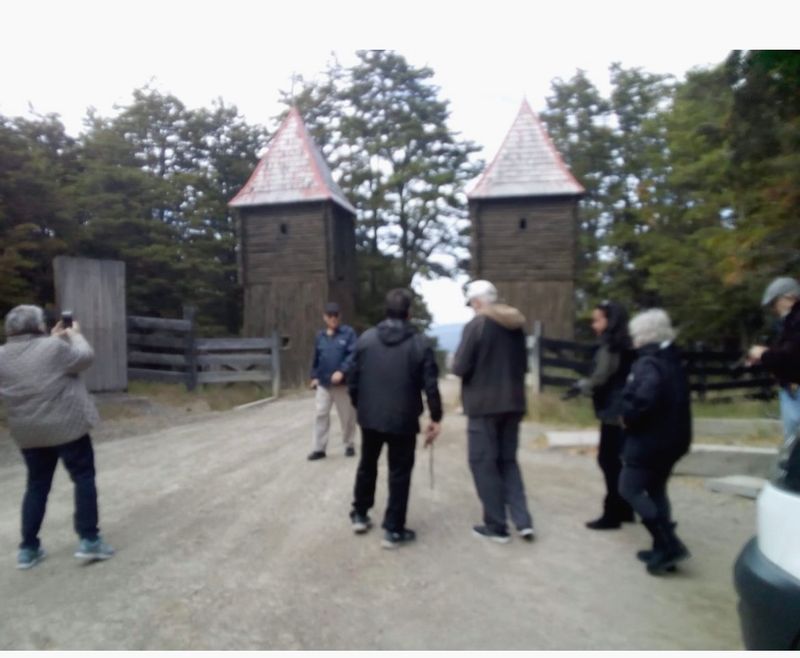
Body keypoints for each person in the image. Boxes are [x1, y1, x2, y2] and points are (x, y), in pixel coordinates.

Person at [0, 305, 114, 570]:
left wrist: (53, 338)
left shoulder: (3, 355)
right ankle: (89, 540)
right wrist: (74, 334)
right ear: (39, 326)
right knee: (83, 477)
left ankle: (28, 549)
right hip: (67, 426)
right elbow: (84, 358)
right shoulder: (54, 349)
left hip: (29, 431)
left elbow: (31, 360)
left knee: (37, 485)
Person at [348, 289, 442, 549]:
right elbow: (430, 385)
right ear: (409, 313)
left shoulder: (366, 340)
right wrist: (436, 417)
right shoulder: (420, 344)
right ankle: (393, 529)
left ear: (386, 312)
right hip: (403, 419)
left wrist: (361, 406)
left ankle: (360, 514)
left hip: (370, 417)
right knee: (399, 472)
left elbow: (352, 379)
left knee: (367, 464)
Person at [452, 280, 535, 544]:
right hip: (513, 402)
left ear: (477, 301)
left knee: (483, 464)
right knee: (508, 461)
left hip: (484, 406)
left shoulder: (477, 325)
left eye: (471, 303)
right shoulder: (516, 325)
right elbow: (524, 366)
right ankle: (523, 522)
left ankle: (497, 525)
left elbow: (460, 367)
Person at [618, 309, 691, 575]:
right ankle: (662, 549)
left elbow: (645, 398)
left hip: (650, 439)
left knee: (630, 489)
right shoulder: (673, 359)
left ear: (643, 335)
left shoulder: (648, 364)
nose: (633, 339)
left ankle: (669, 544)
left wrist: (628, 416)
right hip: (674, 438)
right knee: (657, 489)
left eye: (635, 334)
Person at [573, 301, 636, 530]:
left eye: (597, 319)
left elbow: (601, 376)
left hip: (613, 409)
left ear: (611, 321)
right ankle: (626, 507)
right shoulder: (628, 345)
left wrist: (582, 386)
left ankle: (613, 514)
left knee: (608, 460)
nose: (593, 324)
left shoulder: (609, 347)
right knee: (619, 460)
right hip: (626, 408)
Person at [747, 277, 800, 444]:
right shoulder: (790, 322)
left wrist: (763, 354)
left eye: (774, 303)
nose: (773, 309)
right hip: (791, 388)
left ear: (789, 298)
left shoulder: (796, 321)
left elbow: (791, 355)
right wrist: (767, 356)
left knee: (794, 445)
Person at [308, 302, 358, 461]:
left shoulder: (348, 334)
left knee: (347, 416)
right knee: (320, 414)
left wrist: (342, 371)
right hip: (323, 383)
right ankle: (319, 448)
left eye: (336, 315)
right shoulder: (320, 336)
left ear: (339, 316)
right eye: (330, 315)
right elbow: (316, 358)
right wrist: (314, 376)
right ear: (325, 317)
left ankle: (349, 444)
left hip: (342, 384)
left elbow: (353, 355)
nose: (333, 318)